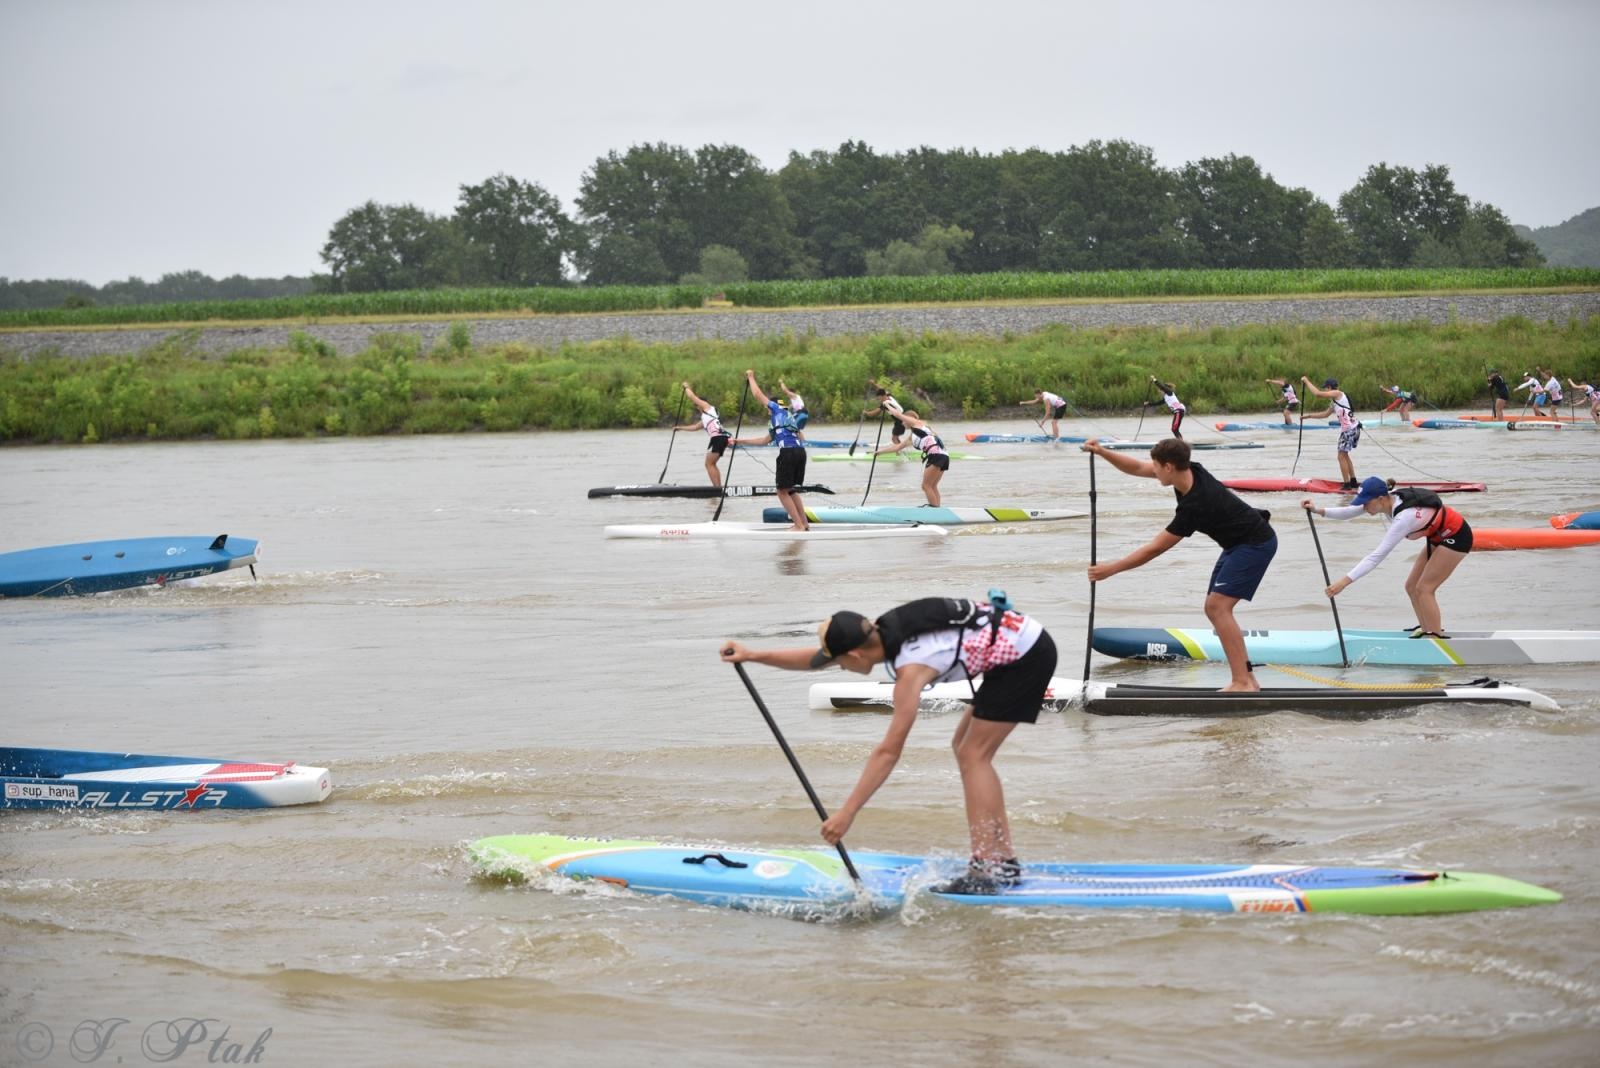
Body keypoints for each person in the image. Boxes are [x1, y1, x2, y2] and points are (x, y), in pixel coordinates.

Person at [719, 592, 1058, 894]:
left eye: (839, 662)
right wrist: (752, 655)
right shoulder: (880, 631)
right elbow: (813, 659)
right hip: (1014, 644)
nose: (839, 668)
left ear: (855, 654)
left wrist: (846, 813)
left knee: (974, 755)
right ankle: (1003, 861)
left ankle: (988, 868)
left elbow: (889, 751)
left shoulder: (911, 669)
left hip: (1026, 656)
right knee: (964, 748)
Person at [1081, 437, 1277, 691]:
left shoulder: (1195, 505)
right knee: (1214, 608)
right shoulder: (1190, 469)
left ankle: (1242, 682)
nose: (1153, 470)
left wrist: (1111, 569)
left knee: (1218, 607)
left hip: (1255, 544)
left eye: (1156, 466)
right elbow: (1137, 467)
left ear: (1169, 467)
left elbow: (1155, 548)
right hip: (1237, 544)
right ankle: (1247, 680)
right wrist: (1102, 452)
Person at [1303, 476, 1473, 640]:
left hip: (1457, 536)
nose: (1364, 506)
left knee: (1424, 589)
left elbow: (1376, 557)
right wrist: (1317, 510)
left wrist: (1343, 582)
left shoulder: (1404, 518)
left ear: (1380, 499)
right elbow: (1349, 512)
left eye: (1366, 502)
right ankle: (1426, 629)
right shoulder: (1386, 501)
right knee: (1411, 586)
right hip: (1437, 536)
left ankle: (1435, 637)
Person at [737, 370, 808, 530]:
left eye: (767, 407)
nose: (767, 409)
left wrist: (751, 377)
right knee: (790, 490)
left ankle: (798, 526)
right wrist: (740, 441)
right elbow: (764, 440)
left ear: (773, 405)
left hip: (788, 453)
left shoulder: (777, 409)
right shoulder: (787, 416)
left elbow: (757, 394)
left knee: (781, 492)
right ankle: (804, 523)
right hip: (800, 452)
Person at [876, 409, 949, 506]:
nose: (902, 423)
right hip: (943, 455)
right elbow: (897, 447)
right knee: (932, 485)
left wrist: (887, 405)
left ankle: (934, 510)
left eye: (903, 420)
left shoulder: (918, 424)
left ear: (910, 418)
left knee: (926, 486)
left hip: (936, 455)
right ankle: (938, 509)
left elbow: (897, 414)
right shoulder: (913, 436)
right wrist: (880, 452)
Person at [1301, 376, 1360, 489]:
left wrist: (1306, 381)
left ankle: (1347, 485)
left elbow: (1317, 394)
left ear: (1329, 387)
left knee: (1340, 456)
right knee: (1344, 455)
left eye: (1326, 388)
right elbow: (1325, 414)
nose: (1325, 390)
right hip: (1352, 428)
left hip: (1349, 429)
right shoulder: (1335, 401)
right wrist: (1308, 416)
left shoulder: (1337, 393)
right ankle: (1353, 482)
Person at [679, 381, 732, 488]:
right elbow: (695, 427)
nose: (696, 406)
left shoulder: (707, 407)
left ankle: (717, 489)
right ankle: (718, 488)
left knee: (709, 464)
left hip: (718, 438)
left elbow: (691, 396)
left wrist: (686, 387)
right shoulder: (706, 416)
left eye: (697, 404)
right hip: (721, 438)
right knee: (711, 464)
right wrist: (680, 428)